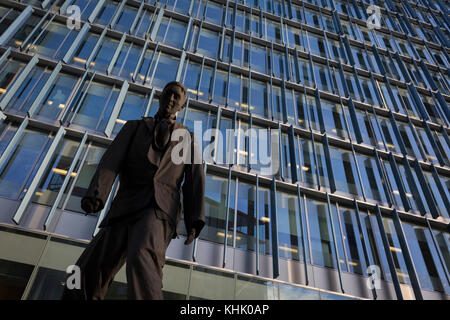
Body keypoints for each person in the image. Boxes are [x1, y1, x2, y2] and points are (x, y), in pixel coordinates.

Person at [62, 81, 205, 300]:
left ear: (182, 106)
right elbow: (111, 160)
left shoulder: (188, 138)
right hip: (125, 205)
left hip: (159, 209)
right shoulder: (133, 127)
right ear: (160, 97)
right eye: (168, 94)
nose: (171, 99)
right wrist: (97, 194)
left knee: (141, 256)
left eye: (177, 97)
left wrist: (194, 220)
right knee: (88, 269)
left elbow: (195, 180)